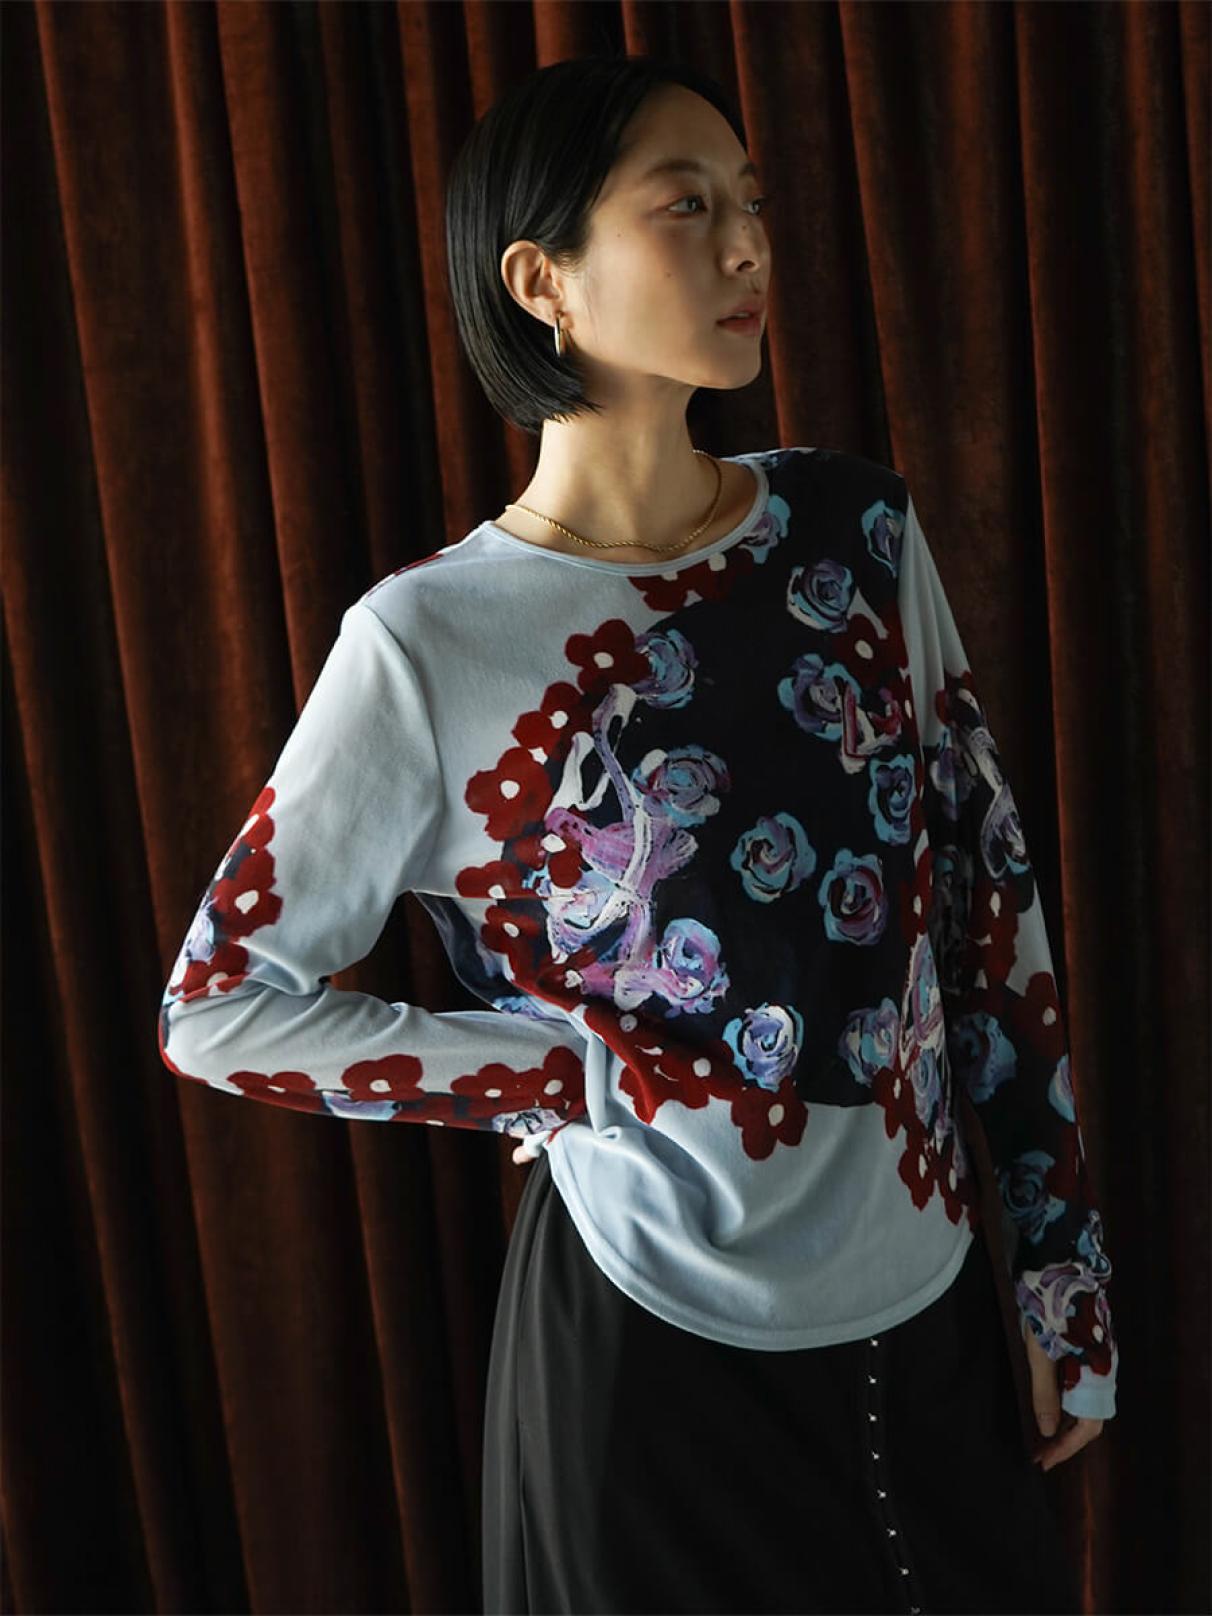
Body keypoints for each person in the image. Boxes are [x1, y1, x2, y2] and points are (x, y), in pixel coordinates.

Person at [158, 50, 1117, 1616]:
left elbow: (988, 909)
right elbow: (218, 1007)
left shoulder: (857, 532)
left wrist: (1064, 1274)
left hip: (933, 1302)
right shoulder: (427, 642)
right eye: (687, 207)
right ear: (542, 282)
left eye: (753, 203)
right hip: (646, 1354)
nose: (747, 246)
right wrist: (564, 1073)